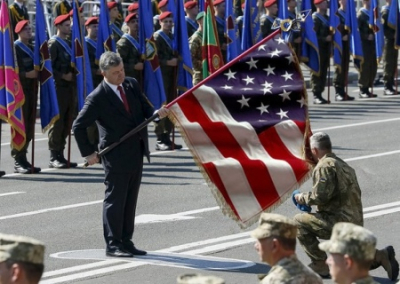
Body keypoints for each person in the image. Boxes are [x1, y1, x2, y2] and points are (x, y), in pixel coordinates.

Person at [73, 51, 169, 257]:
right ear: (103, 73)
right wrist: (89, 153)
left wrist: (156, 114)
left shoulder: (131, 84)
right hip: (115, 154)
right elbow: (78, 126)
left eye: (122, 70)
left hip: (136, 149)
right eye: (116, 73)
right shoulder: (98, 97)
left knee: (130, 199)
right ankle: (113, 243)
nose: (121, 75)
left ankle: (126, 240)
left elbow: (145, 108)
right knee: (115, 200)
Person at [294, 132, 399, 280]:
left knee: (298, 221)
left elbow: (320, 197)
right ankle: (381, 256)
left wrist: (301, 198)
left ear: (315, 151)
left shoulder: (324, 166)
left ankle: (320, 264)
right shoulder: (344, 165)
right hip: (354, 222)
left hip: (338, 222)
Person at [251, 213, 323, 283]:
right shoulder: (314, 277)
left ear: (274, 245)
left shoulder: (273, 281)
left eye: (260, 241)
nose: (256, 246)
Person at [48, 14, 78, 169]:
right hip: (58, 88)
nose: (69, 27)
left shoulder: (69, 43)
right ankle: (54, 155)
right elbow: (48, 68)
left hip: (70, 88)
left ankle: (61, 153)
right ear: (58, 27)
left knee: (67, 121)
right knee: (58, 122)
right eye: (66, 25)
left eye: (69, 25)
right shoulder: (54, 44)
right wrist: (62, 76)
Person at [12, 21, 41, 174]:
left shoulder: (31, 48)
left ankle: (24, 158)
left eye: (30, 29)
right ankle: (18, 159)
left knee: (29, 125)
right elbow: (12, 72)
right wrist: (26, 75)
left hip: (32, 91)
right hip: (19, 93)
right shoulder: (15, 48)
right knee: (20, 125)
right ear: (18, 31)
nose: (29, 32)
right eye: (26, 30)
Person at [154, 11, 183, 151]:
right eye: (165, 21)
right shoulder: (156, 38)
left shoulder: (173, 36)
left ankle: (167, 135)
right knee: (161, 105)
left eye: (171, 21)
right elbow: (152, 59)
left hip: (172, 76)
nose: (169, 24)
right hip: (161, 76)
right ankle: (160, 138)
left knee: (171, 104)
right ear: (160, 23)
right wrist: (166, 62)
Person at [333, 0, 355, 101]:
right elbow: (334, 28)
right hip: (339, 44)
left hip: (347, 44)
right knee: (339, 67)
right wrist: (341, 36)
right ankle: (338, 91)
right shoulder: (336, 13)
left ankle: (343, 90)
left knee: (345, 66)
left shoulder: (350, 14)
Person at [310, 0, 331, 104]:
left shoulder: (327, 18)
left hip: (325, 49)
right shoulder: (315, 19)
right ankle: (316, 94)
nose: (326, 4)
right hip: (317, 49)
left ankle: (320, 92)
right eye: (323, 2)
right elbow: (312, 36)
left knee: (323, 70)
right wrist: (324, 38)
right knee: (317, 71)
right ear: (317, 4)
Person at [357, 0, 378, 98]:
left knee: (373, 65)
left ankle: (368, 87)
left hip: (373, 43)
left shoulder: (374, 13)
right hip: (364, 44)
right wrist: (366, 36)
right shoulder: (361, 14)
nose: (368, 2)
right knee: (365, 65)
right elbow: (357, 31)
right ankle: (363, 88)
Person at [116, 13, 143, 84]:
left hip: (140, 77)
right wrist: (133, 66)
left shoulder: (140, 40)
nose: (136, 24)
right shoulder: (123, 42)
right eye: (133, 22)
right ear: (127, 24)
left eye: (137, 21)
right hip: (128, 79)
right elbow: (119, 63)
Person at [381, 0, 398, 96]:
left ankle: (391, 85)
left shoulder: (394, 11)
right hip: (388, 41)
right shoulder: (385, 12)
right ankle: (387, 86)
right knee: (388, 62)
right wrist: (393, 35)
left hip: (394, 41)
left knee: (393, 62)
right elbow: (385, 30)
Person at [189, 11, 204, 86]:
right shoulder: (195, 38)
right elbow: (191, 57)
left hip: (209, 74)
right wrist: (203, 64)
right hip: (199, 76)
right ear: (199, 21)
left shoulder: (209, 37)